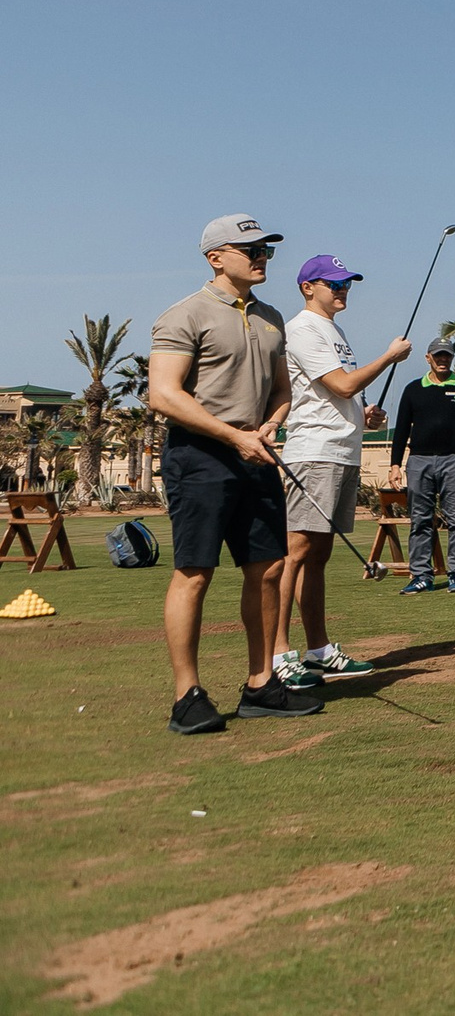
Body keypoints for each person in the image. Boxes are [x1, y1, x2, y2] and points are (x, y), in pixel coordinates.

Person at [147, 216, 319, 733]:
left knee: (267, 568)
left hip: (256, 452)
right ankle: (187, 696)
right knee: (195, 571)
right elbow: (164, 394)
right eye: (248, 248)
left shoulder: (271, 318)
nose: (261, 255)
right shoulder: (184, 315)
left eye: (265, 247)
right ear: (215, 257)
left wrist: (267, 425)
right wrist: (233, 435)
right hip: (200, 457)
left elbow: (283, 390)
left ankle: (261, 684)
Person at [273, 254, 405, 686]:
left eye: (346, 283)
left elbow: (341, 394)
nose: (342, 289)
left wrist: (363, 413)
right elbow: (342, 383)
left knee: (319, 555)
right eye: (333, 283)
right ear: (308, 287)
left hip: (340, 452)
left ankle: (319, 650)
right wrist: (387, 358)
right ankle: (278, 655)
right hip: (314, 453)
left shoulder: (334, 330)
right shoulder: (303, 329)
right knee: (295, 552)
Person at [389, 336, 455, 596]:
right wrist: (395, 464)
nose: (443, 359)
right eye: (438, 355)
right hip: (419, 461)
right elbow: (401, 430)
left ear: (452, 358)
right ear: (428, 358)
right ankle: (421, 575)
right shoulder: (413, 389)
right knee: (420, 520)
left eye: (447, 355)